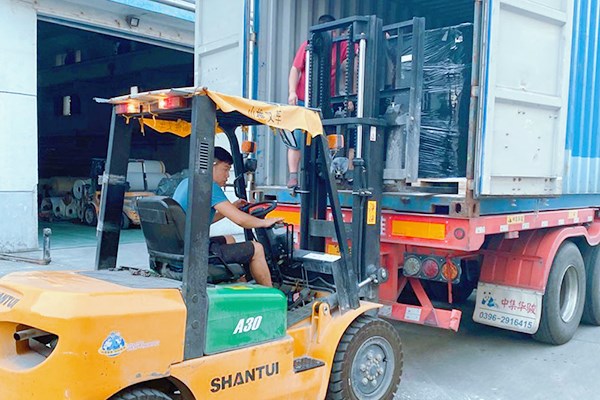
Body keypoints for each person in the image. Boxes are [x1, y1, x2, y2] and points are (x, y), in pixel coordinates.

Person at [173, 147, 283, 287]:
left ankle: (239, 284)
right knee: (256, 248)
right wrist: (265, 222)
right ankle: (270, 298)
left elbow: (204, 221)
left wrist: (232, 207)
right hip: (196, 253)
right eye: (225, 169)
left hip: (182, 248)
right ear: (212, 165)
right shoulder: (208, 186)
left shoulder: (187, 182)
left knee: (229, 239)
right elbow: (241, 220)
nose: (227, 176)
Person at [287, 14, 348, 188]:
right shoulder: (309, 46)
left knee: (329, 138)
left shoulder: (341, 45)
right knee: (297, 139)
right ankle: (293, 176)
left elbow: (355, 58)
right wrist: (292, 92)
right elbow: (295, 69)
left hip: (325, 103)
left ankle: (331, 172)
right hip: (303, 101)